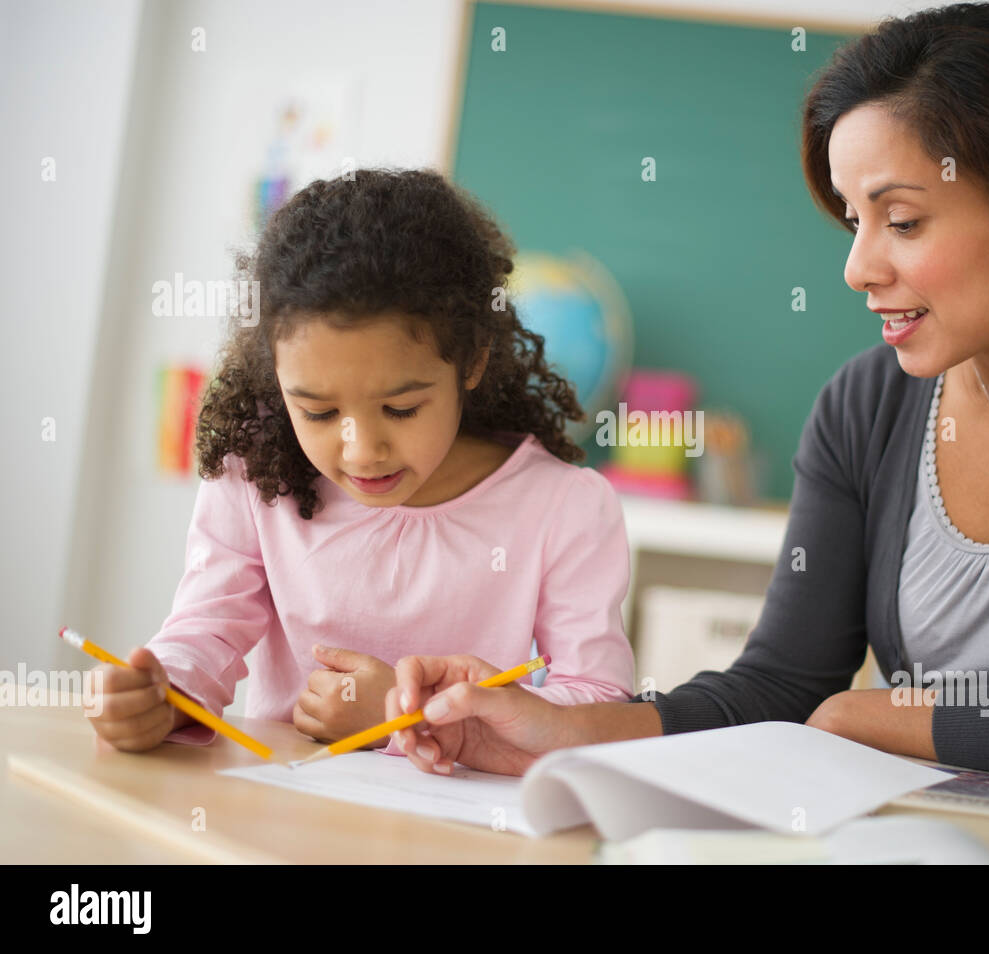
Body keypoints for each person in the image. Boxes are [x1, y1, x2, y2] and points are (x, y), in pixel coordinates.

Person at [383, 4, 989, 837]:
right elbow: (783, 682)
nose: (858, 267)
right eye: (851, 220)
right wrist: (565, 733)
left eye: (901, 221)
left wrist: (869, 713)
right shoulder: (865, 406)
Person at [84, 169, 635, 756]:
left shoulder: (564, 507)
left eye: (400, 409)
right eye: (318, 412)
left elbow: (597, 705)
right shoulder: (255, 476)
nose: (361, 450)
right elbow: (206, 631)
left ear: (471, 362)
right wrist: (162, 692)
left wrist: (408, 717)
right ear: (275, 375)